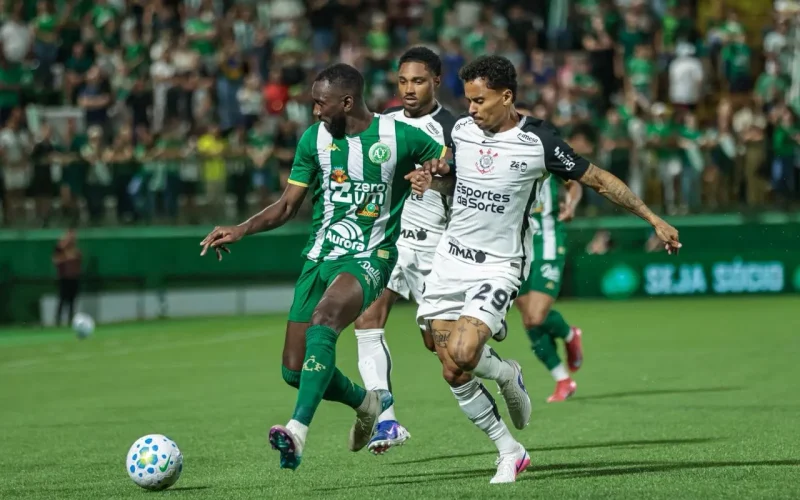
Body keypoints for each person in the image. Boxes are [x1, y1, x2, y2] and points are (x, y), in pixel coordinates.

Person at [409, 56, 681, 484]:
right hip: (448, 260)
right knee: (449, 366)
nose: (472, 109)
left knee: (464, 353)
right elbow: (452, 180)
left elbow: (600, 180)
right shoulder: (461, 131)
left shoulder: (539, 141)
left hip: (498, 266)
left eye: (480, 100)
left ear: (507, 96)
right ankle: (509, 442)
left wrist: (653, 219)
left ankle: (505, 376)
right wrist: (433, 180)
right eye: (468, 101)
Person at [199, 63, 448, 471]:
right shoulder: (313, 139)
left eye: (320, 103)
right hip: (319, 259)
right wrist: (241, 229)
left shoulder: (398, 135)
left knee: (326, 318)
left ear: (346, 102)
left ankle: (297, 431)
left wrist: (435, 172)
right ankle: (367, 402)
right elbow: (286, 206)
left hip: (371, 256)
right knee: (294, 371)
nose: (314, 110)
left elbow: (447, 159)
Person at [352, 46, 457, 455]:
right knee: (367, 319)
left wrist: (435, 180)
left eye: (417, 81)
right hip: (389, 241)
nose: (408, 89)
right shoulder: (382, 124)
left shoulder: (456, 128)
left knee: (447, 354)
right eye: (402, 81)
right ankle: (388, 420)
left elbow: (464, 186)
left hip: (437, 247)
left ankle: (503, 374)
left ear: (435, 81)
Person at [514, 102, 585, 403]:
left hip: (547, 240)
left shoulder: (545, 147)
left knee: (537, 314)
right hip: (514, 245)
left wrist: (571, 203)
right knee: (529, 320)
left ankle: (569, 335)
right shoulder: (498, 150)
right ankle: (563, 379)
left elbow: (575, 181)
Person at [52, 228, 82, 326]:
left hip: (73, 278)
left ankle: (71, 320)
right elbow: (56, 260)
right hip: (64, 278)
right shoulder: (61, 250)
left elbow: (78, 261)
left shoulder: (76, 251)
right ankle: (58, 321)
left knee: (72, 301)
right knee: (62, 300)